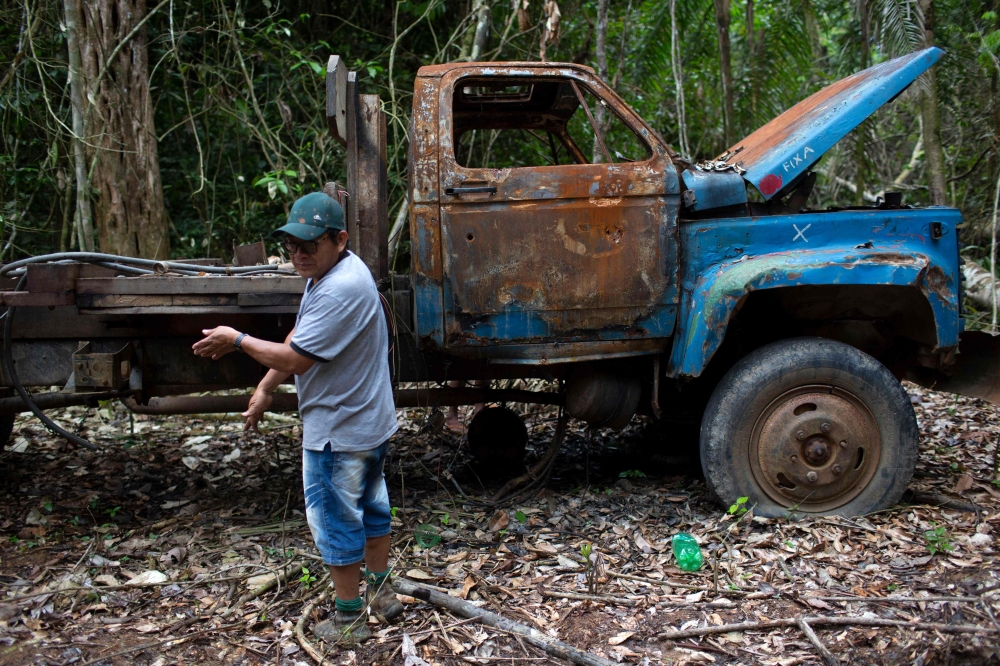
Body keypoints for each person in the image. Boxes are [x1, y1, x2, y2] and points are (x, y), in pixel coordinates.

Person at [192, 191, 401, 644]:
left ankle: (349, 621)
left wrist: (237, 339)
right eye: (292, 245)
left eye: (311, 245)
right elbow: (299, 337)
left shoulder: (342, 285)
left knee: (336, 520)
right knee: (370, 507)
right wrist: (266, 387)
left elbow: (295, 357)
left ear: (339, 239)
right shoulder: (333, 273)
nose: (299, 254)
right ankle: (383, 596)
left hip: (340, 430)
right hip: (367, 420)